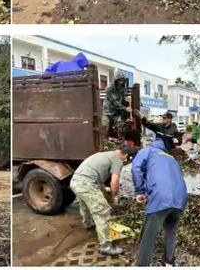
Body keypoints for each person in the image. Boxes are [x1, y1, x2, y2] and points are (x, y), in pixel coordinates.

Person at [70, 144, 134, 256]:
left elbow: (97, 177)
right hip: (86, 184)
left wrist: (104, 190)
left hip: (75, 182)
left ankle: (88, 223)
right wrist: (114, 196)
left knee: (85, 203)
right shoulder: (118, 161)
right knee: (103, 212)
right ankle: (106, 246)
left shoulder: (104, 155)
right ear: (125, 155)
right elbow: (114, 182)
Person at [132, 138, 188, 266]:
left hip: (161, 197)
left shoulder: (147, 151)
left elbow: (136, 169)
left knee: (149, 238)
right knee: (171, 231)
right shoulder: (171, 158)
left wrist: (140, 191)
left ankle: (142, 265)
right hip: (181, 198)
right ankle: (168, 261)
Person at [103, 70, 128, 139]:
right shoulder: (109, 88)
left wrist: (126, 100)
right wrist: (125, 108)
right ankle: (106, 142)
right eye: (120, 80)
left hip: (116, 111)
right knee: (107, 128)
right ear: (116, 80)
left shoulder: (121, 88)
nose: (121, 82)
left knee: (118, 127)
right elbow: (114, 101)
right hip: (108, 111)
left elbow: (122, 99)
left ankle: (116, 141)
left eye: (123, 80)